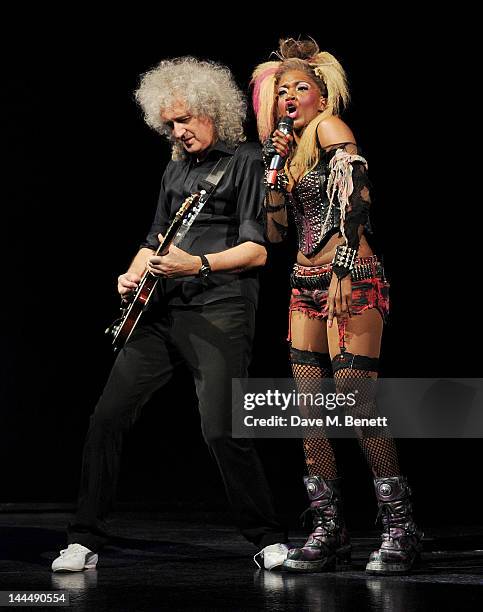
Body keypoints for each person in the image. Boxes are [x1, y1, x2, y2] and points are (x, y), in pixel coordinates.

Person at [52, 56, 290, 573]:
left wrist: (196, 264)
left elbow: (258, 251)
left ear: (213, 112)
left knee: (221, 428)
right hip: (160, 308)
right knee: (106, 418)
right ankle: (83, 537)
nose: (177, 131)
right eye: (169, 123)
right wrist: (132, 272)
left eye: (184, 120)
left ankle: (267, 535)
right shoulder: (175, 166)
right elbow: (154, 237)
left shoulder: (247, 161)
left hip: (221, 305)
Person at [251, 38, 422, 574]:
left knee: (356, 399)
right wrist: (273, 175)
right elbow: (278, 232)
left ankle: (400, 527)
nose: (292, 97)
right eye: (283, 90)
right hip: (303, 280)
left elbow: (361, 192)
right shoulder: (290, 147)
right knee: (309, 407)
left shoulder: (329, 127)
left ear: (322, 93)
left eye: (302, 87)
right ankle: (330, 528)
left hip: (352, 276)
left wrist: (346, 262)